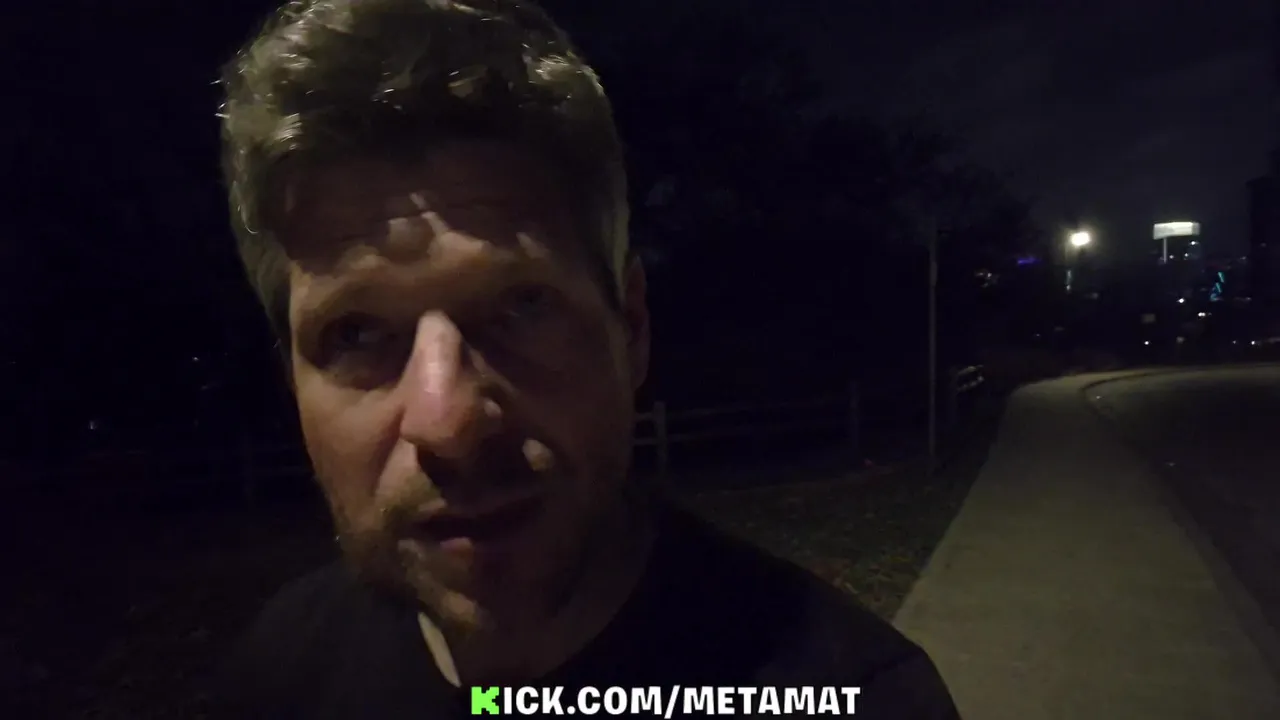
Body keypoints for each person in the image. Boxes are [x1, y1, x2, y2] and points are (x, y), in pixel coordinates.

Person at [212, 1, 961, 717]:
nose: (448, 423)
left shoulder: (864, 699)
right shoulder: (279, 674)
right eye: (354, 334)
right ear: (292, 383)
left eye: (522, 306)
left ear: (629, 329)